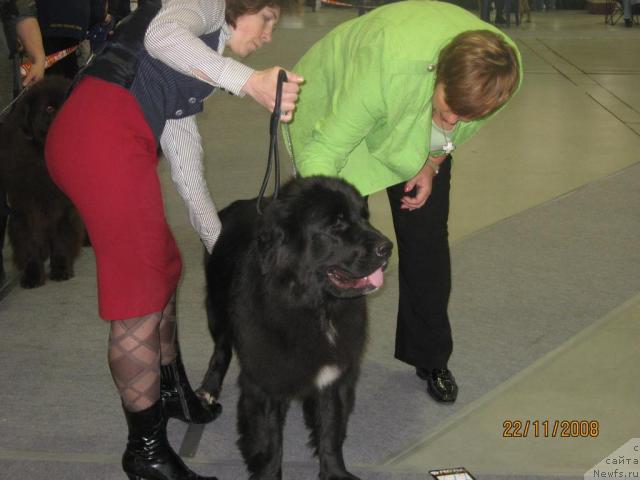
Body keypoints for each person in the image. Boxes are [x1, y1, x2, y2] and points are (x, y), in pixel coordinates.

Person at [44, 0, 302, 478]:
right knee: (138, 295)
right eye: (267, 19)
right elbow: (162, 37)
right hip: (100, 136)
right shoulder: (204, 5)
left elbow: (185, 159)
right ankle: (145, 451)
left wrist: (222, 248)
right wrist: (248, 81)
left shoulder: (194, 63)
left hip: (106, 135)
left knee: (164, 264)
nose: (268, 36)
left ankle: (171, 392)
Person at [286, 0, 522, 404]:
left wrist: (431, 162)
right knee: (335, 248)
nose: (452, 124)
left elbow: (454, 128)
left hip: (411, 111)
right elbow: (325, 150)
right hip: (336, 106)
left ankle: (431, 357)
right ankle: (314, 355)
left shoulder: (501, 74)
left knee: (428, 243)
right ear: (437, 76)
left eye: (463, 118)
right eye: (447, 111)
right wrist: (325, 213)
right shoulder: (386, 70)